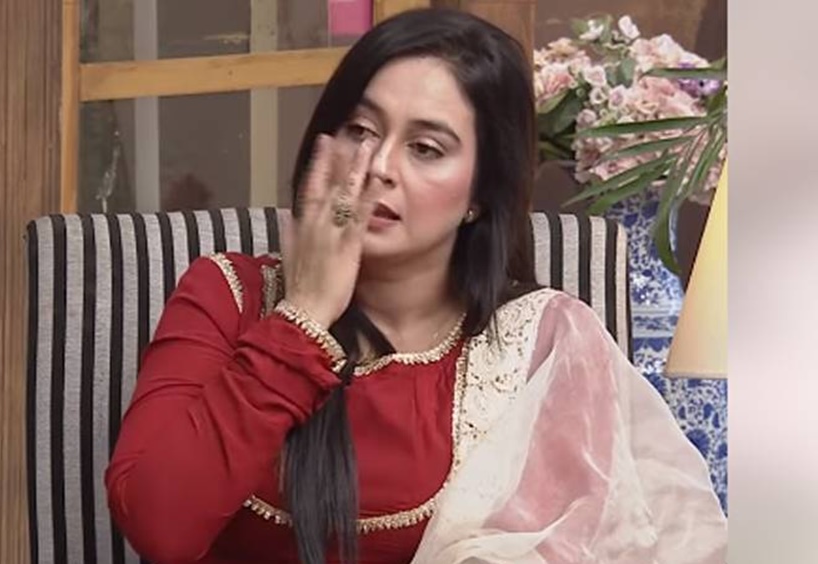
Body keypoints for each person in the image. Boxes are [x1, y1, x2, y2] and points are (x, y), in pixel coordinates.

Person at [105, 8, 727, 563]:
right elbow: (159, 527)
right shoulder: (227, 295)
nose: (377, 166)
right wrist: (305, 315)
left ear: (480, 194)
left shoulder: (537, 347)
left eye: (425, 148)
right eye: (360, 130)